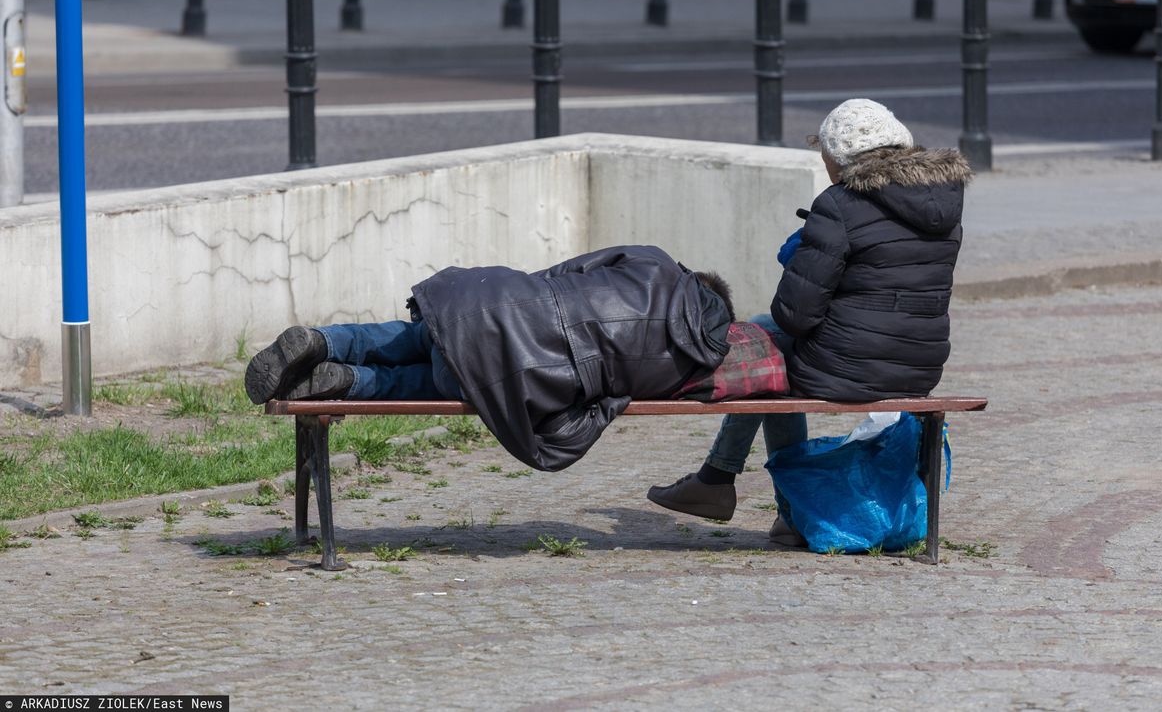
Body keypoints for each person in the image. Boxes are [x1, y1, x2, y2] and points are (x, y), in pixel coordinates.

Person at [647, 99, 972, 542]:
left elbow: (795, 315)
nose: (828, 172)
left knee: (766, 355)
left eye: (828, 163)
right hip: (919, 367)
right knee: (772, 346)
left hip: (848, 369)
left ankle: (754, 496)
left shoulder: (840, 205)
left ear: (843, 160)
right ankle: (720, 484)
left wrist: (804, 252)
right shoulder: (945, 207)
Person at [245, 245, 735, 472]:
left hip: (488, 308)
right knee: (452, 381)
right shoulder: (686, 364)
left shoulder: (653, 261)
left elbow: (562, 272)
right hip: (511, 373)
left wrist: (513, 303)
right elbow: (610, 400)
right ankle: (349, 381)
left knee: (416, 338)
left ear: (694, 279)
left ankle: (323, 341)